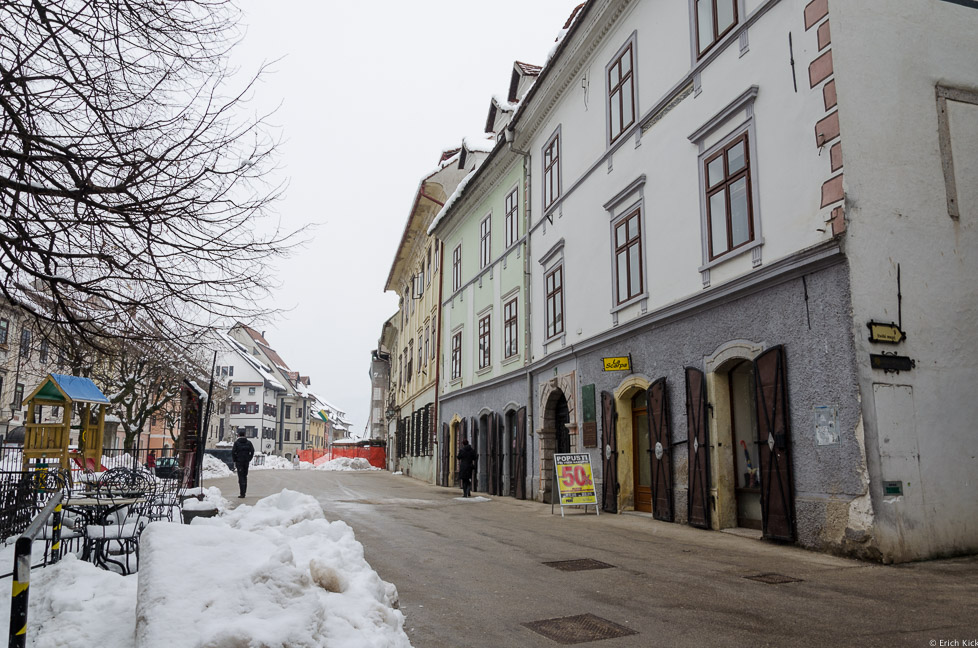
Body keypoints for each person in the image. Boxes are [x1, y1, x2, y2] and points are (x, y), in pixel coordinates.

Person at [231, 429, 255, 499]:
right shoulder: (249, 443)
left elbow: (233, 452)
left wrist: (235, 460)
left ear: (238, 435)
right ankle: (244, 491)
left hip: (239, 461)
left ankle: (242, 493)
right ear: (244, 435)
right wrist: (249, 458)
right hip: (246, 461)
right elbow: (252, 451)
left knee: (240, 476)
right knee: (245, 476)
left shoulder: (236, 443)